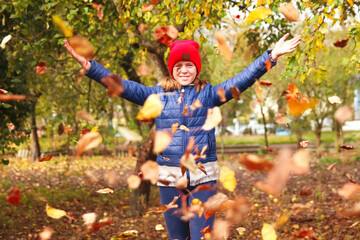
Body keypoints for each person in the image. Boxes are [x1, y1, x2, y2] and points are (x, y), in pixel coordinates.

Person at [64, 33, 301, 240]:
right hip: (169, 179)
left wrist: (270, 56)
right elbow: (123, 86)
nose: (184, 70)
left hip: (202, 177)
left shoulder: (209, 94)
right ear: (172, 69)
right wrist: (91, 67)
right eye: (178, 66)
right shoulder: (156, 95)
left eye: (189, 65)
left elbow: (242, 79)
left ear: (196, 68)